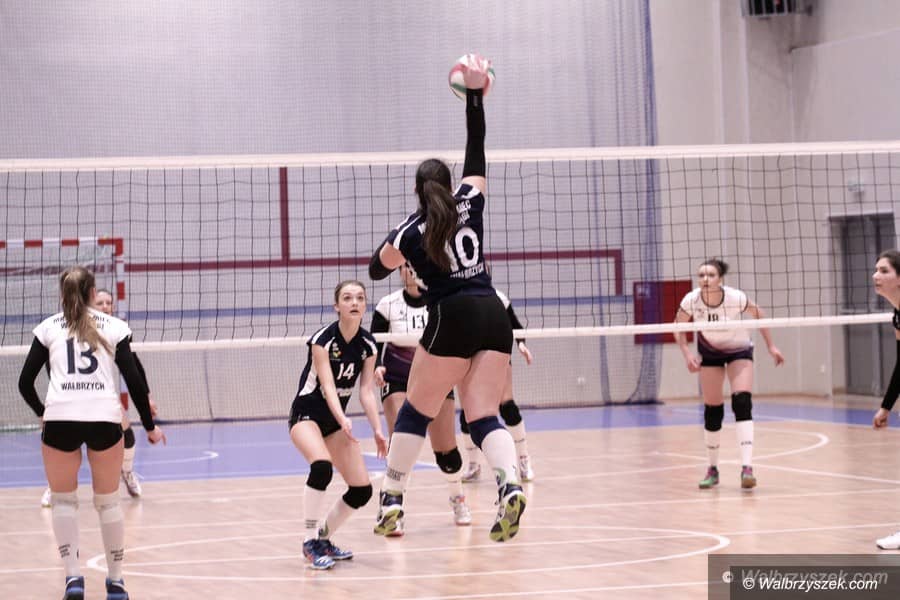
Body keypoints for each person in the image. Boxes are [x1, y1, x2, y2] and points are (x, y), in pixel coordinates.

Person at [368, 54, 526, 543]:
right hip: (492, 312)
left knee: (416, 410)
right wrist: (475, 97)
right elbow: (476, 149)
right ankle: (510, 484)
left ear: (418, 190)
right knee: (483, 416)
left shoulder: (410, 230)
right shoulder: (470, 201)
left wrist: (398, 247)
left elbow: (376, 268)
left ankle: (392, 499)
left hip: (451, 314)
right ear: (448, 182)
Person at [18, 266, 165, 600]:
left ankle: (73, 579)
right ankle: (116, 582)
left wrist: (43, 412)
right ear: (92, 293)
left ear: (62, 294)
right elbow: (134, 380)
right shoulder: (114, 326)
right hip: (103, 417)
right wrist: (150, 426)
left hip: (61, 418)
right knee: (108, 502)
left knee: (63, 501)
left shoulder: (48, 327)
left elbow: (24, 383)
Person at [289, 280, 388, 569]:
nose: (354, 302)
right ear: (337, 306)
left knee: (361, 489)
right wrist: (343, 418)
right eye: (347, 298)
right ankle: (309, 541)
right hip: (306, 414)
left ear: (365, 305)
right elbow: (328, 385)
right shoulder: (323, 340)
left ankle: (323, 538)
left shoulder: (368, 345)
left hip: (334, 422)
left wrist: (378, 430)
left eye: (359, 298)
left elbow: (366, 391)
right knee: (321, 466)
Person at [371, 264, 472, 536]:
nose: (411, 271)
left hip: (436, 375)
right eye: (405, 266)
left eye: (414, 266)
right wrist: (376, 367)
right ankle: (392, 508)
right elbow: (374, 345)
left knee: (446, 451)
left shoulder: (441, 300)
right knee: (400, 444)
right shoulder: (387, 305)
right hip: (397, 379)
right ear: (400, 271)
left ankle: (458, 497)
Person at [674, 258, 784, 490]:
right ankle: (712, 469)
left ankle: (747, 468)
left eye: (710, 275)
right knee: (713, 412)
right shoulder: (692, 300)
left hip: (738, 350)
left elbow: (759, 313)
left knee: (742, 402)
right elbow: (677, 326)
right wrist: (687, 354)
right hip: (710, 353)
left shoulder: (734, 297)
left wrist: (771, 346)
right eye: (701, 275)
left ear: (720, 279)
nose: (705, 279)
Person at [40, 289, 156, 507]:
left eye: (108, 303)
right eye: (100, 302)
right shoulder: (68, 326)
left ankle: (127, 472)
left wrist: (147, 397)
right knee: (60, 443)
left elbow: (134, 367)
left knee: (126, 432)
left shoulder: (114, 329)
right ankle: (54, 485)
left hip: (99, 395)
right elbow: (50, 362)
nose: (104, 306)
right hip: (70, 396)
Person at [460, 289, 535, 482]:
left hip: (496, 351)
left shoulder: (499, 298)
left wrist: (521, 344)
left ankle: (523, 459)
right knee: (467, 413)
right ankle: (473, 465)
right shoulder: (458, 296)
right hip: (469, 354)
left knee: (507, 406)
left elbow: (516, 326)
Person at [870, 250, 900, 549]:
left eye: (884, 271)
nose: (876, 276)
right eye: (876, 270)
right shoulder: (898, 315)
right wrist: (886, 406)